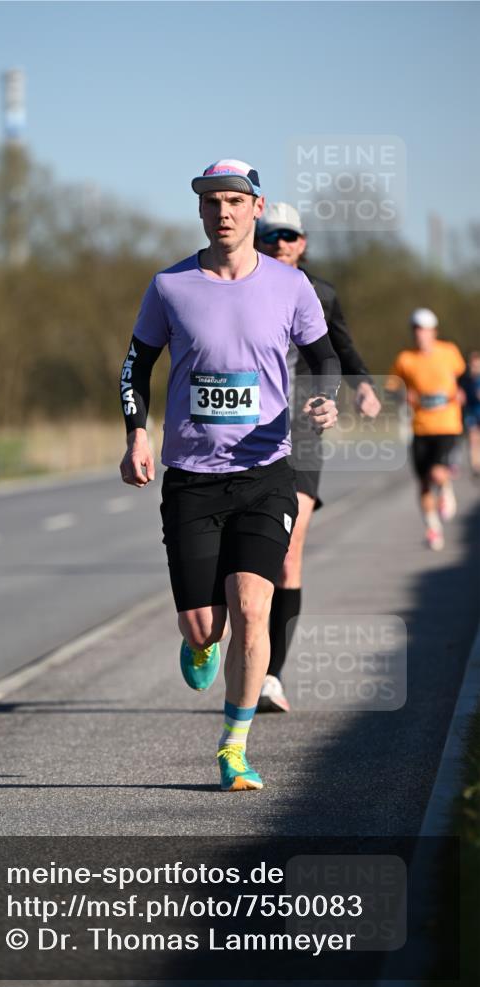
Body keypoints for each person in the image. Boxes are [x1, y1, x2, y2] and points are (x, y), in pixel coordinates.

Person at [119, 159, 341, 791]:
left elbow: (325, 359)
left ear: (256, 208)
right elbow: (135, 366)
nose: (223, 212)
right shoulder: (170, 286)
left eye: (235, 201)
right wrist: (137, 433)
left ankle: (234, 747)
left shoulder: (290, 286)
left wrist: (325, 400)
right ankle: (199, 642)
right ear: (200, 210)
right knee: (205, 624)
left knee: (251, 606)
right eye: (212, 201)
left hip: (266, 472)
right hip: (192, 478)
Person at [254, 203, 381, 712]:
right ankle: (226, 637)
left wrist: (363, 386)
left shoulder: (321, 294)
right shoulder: (238, 288)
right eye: (271, 236)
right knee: (241, 557)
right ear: (257, 241)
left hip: (303, 430)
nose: (280, 243)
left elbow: (344, 350)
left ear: (302, 243)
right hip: (248, 433)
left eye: (289, 236)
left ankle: (270, 675)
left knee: (288, 551)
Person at [386, 308, 466, 551]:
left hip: (447, 424)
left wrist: (462, 391)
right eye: (417, 330)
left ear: (434, 332)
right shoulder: (405, 359)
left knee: (437, 473)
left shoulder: (449, 352)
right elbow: (391, 387)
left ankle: (445, 487)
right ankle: (433, 528)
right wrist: (403, 394)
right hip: (420, 427)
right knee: (423, 483)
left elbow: (463, 376)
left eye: (425, 330)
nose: (421, 335)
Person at [460, 350, 480, 476]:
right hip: (471, 412)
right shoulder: (465, 380)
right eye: (473, 365)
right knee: (473, 439)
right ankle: (475, 465)